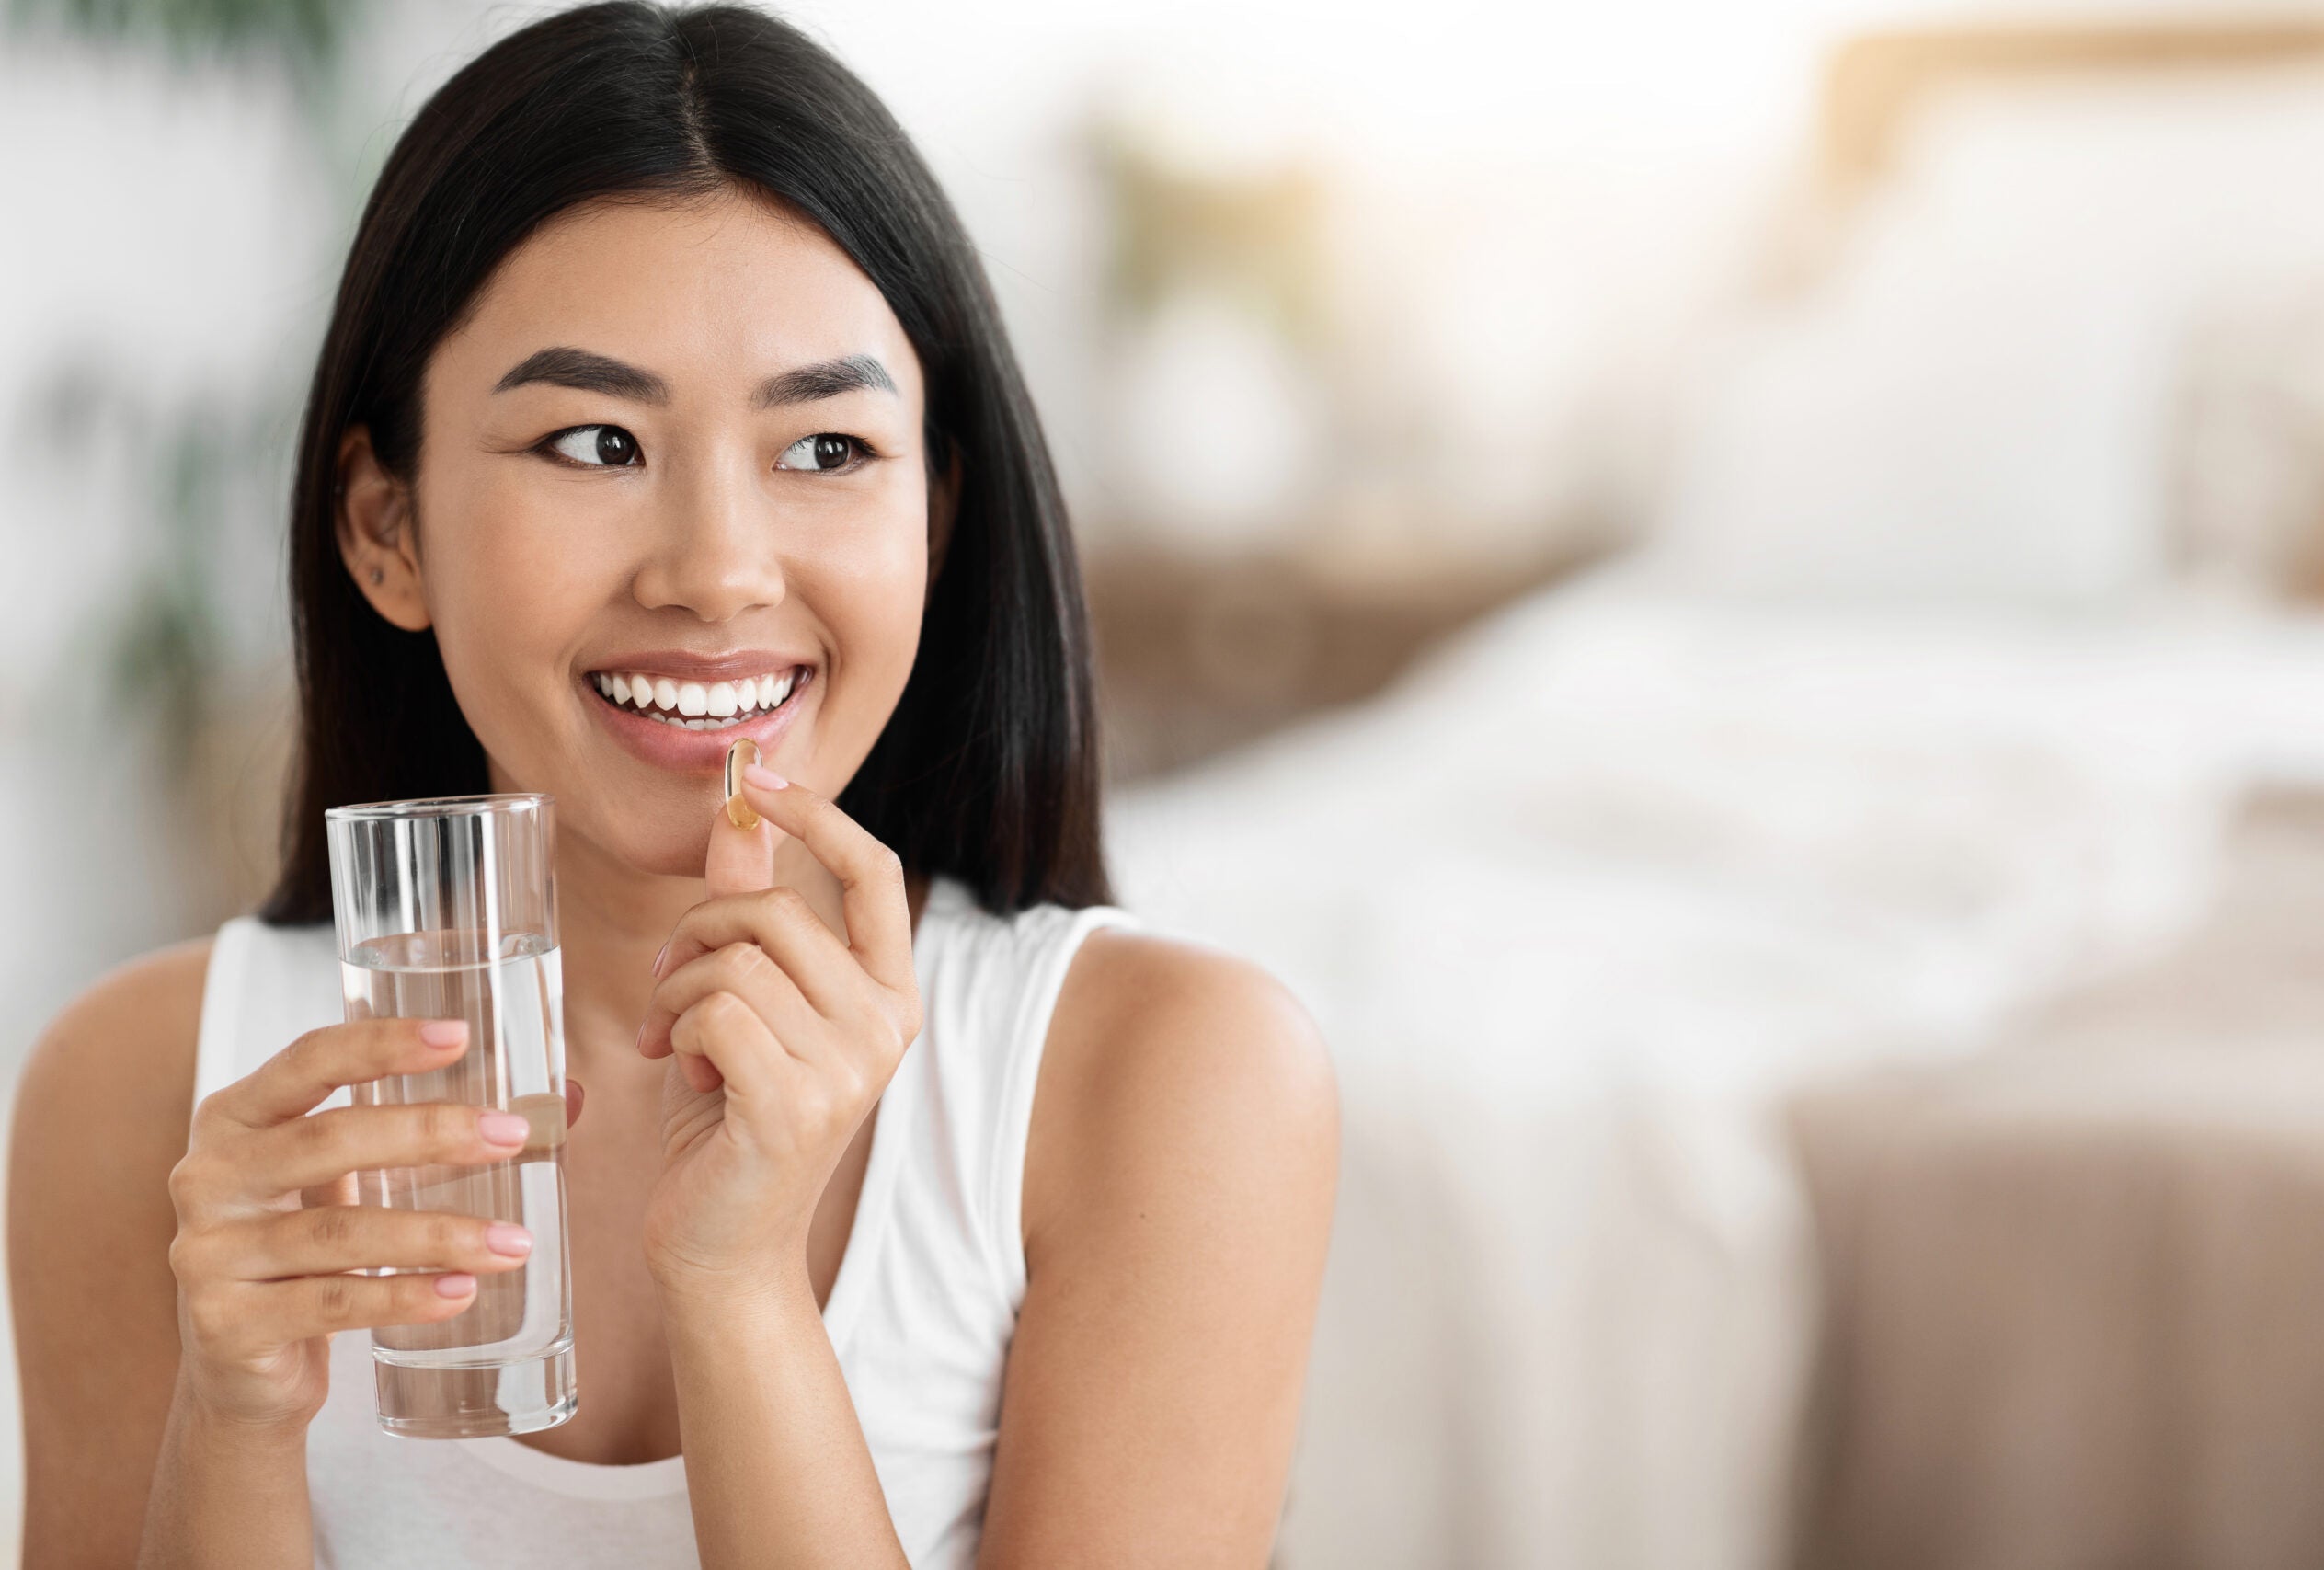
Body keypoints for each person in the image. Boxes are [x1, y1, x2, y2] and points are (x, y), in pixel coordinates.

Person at [6, 5, 1339, 1565]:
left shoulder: (1163, 1081)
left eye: (828, 451)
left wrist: (741, 1291)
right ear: (388, 530)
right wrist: (232, 1425)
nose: (717, 573)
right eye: (592, 440)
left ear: (939, 513)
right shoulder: (144, 1094)